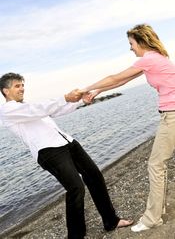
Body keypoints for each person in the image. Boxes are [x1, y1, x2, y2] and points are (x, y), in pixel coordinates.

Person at [0, 72, 133, 239]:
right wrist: (65, 97)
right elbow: (39, 109)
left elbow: (54, 111)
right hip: (48, 151)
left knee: (95, 176)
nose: (22, 89)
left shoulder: (25, 107)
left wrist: (78, 102)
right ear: (5, 91)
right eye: (17, 86)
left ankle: (111, 221)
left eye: (22, 85)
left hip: (67, 142)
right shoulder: (8, 110)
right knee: (76, 188)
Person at [80, 23, 175, 233]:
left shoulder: (149, 59)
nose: (130, 48)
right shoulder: (156, 59)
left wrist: (85, 88)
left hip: (172, 116)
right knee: (159, 164)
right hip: (170, 115)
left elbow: (115, 77)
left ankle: (152, 219)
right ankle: (157, 211)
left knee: (156, 166)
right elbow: (121, 81)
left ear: (141, 41)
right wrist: (96, 92)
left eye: (131, 43)